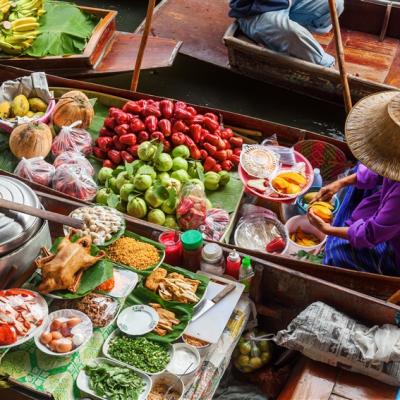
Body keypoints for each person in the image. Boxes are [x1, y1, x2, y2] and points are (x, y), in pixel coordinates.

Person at [307, 91, 400, 275]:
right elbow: (378, 170)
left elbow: (371, 234)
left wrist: (329, 230)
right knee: (358, 170)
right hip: (390, 202)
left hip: (394, 246)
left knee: (336, 255)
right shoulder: (392, 164)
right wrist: (340, 184)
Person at [229, 0, 344, 67]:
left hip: (288, 3)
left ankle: (293, 37)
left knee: (336, 2)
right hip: (256, 11)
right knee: (293, 34)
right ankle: (326, 65)